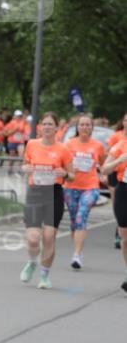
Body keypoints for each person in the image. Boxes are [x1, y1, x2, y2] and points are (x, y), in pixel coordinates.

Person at [20, 111, 74, 289]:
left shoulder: (63, 149)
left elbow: (72, 174)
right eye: (45, 124)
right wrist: (26, 168)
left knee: (49, 237)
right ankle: (32, 261)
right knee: (33, 239)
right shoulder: (32, 145)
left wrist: (65, 173)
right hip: (35, 192)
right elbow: (24, 164)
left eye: (51, 124)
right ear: (40, 127)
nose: (47, 127)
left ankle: (44, 275)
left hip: (54, 194)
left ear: (57, 128)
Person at [62, 113, 106, 269]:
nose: (85, 127)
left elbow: (103, 164)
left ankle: (76, 255)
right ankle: (78, 250)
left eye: (88, 125)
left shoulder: (98, 146)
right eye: (82, 124)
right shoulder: (68, 144)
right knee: (74, 222)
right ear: (77, 127)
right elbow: (62, 163)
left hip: (91, 187)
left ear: (92, 128)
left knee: (81, 216)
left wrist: (103, 175)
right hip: (71, 187)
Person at [101, 131, 127, 293]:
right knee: (124, 236)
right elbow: (105, 170)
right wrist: (119, 160)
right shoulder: (121, 145)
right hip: (124, 191)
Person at [107, 114, 126, 249]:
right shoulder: (117, 138)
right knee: (117, 203)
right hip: (118, 175)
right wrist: (118, 160)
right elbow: (109, 154)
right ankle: (119, 230)